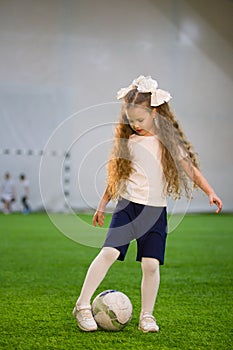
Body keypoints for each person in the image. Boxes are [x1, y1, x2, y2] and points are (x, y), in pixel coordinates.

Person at [73, 75, 222, 333]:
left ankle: (147, 316)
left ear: (154, 113)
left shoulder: (168, 143)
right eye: (130, 121)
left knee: (151, 264)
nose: (135, 125)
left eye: (140, 120)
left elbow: (190, 170)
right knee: (110, 252)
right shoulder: (129, 142)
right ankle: (82, 305)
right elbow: (116, 177)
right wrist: (102, 204)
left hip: (155, 212)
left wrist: (210, 191)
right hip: (127, 207)